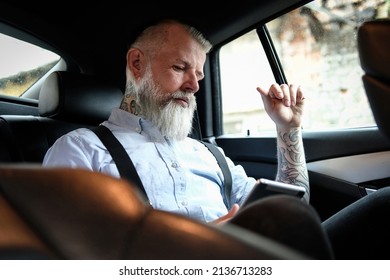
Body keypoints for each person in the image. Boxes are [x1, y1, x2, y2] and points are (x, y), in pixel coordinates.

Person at [42, 19, 389, 260]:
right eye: (180, 68)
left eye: (199, 74)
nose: (194, 85)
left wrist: (287, 130)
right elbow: (62, 257)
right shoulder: (81, 149)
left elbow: (289, 208)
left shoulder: (209, 154)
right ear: (137, 63)